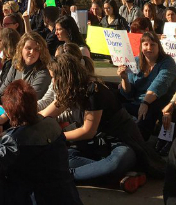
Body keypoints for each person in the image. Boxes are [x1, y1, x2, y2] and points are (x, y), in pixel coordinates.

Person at [41, 54, 162, 193]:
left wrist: (58, 136)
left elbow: (88, 131)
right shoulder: (70, 91)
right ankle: (115, 177)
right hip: (95, 146)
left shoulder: (94, 91)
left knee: (117, 162)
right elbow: (45, 114)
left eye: (55, 77)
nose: (54, 82)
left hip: (121, 143)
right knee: (63, 156)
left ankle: (69, 175)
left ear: (66, 76)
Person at [118, 32, 176, 139]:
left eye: (153, 44)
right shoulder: (135, 61)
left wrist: (145, 103)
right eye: (146, 44)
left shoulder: (168, 62)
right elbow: (128, 93)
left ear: (159, 47)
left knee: (146, 117)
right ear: (141, 47)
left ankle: (139, 143)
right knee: (117, 109)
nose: (149, 48)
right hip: (138, 102)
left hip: (159, 101)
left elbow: (159, 85)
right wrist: (124, 78)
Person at [0, 32, 51, 106]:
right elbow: (2, 91)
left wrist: (4, 111)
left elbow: (28, 102)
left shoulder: (43, 72)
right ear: (21, 49)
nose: (32, 52)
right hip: (8, 106)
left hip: (23, 112)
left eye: (36, 49)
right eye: (28, 48)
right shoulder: (16, 65)